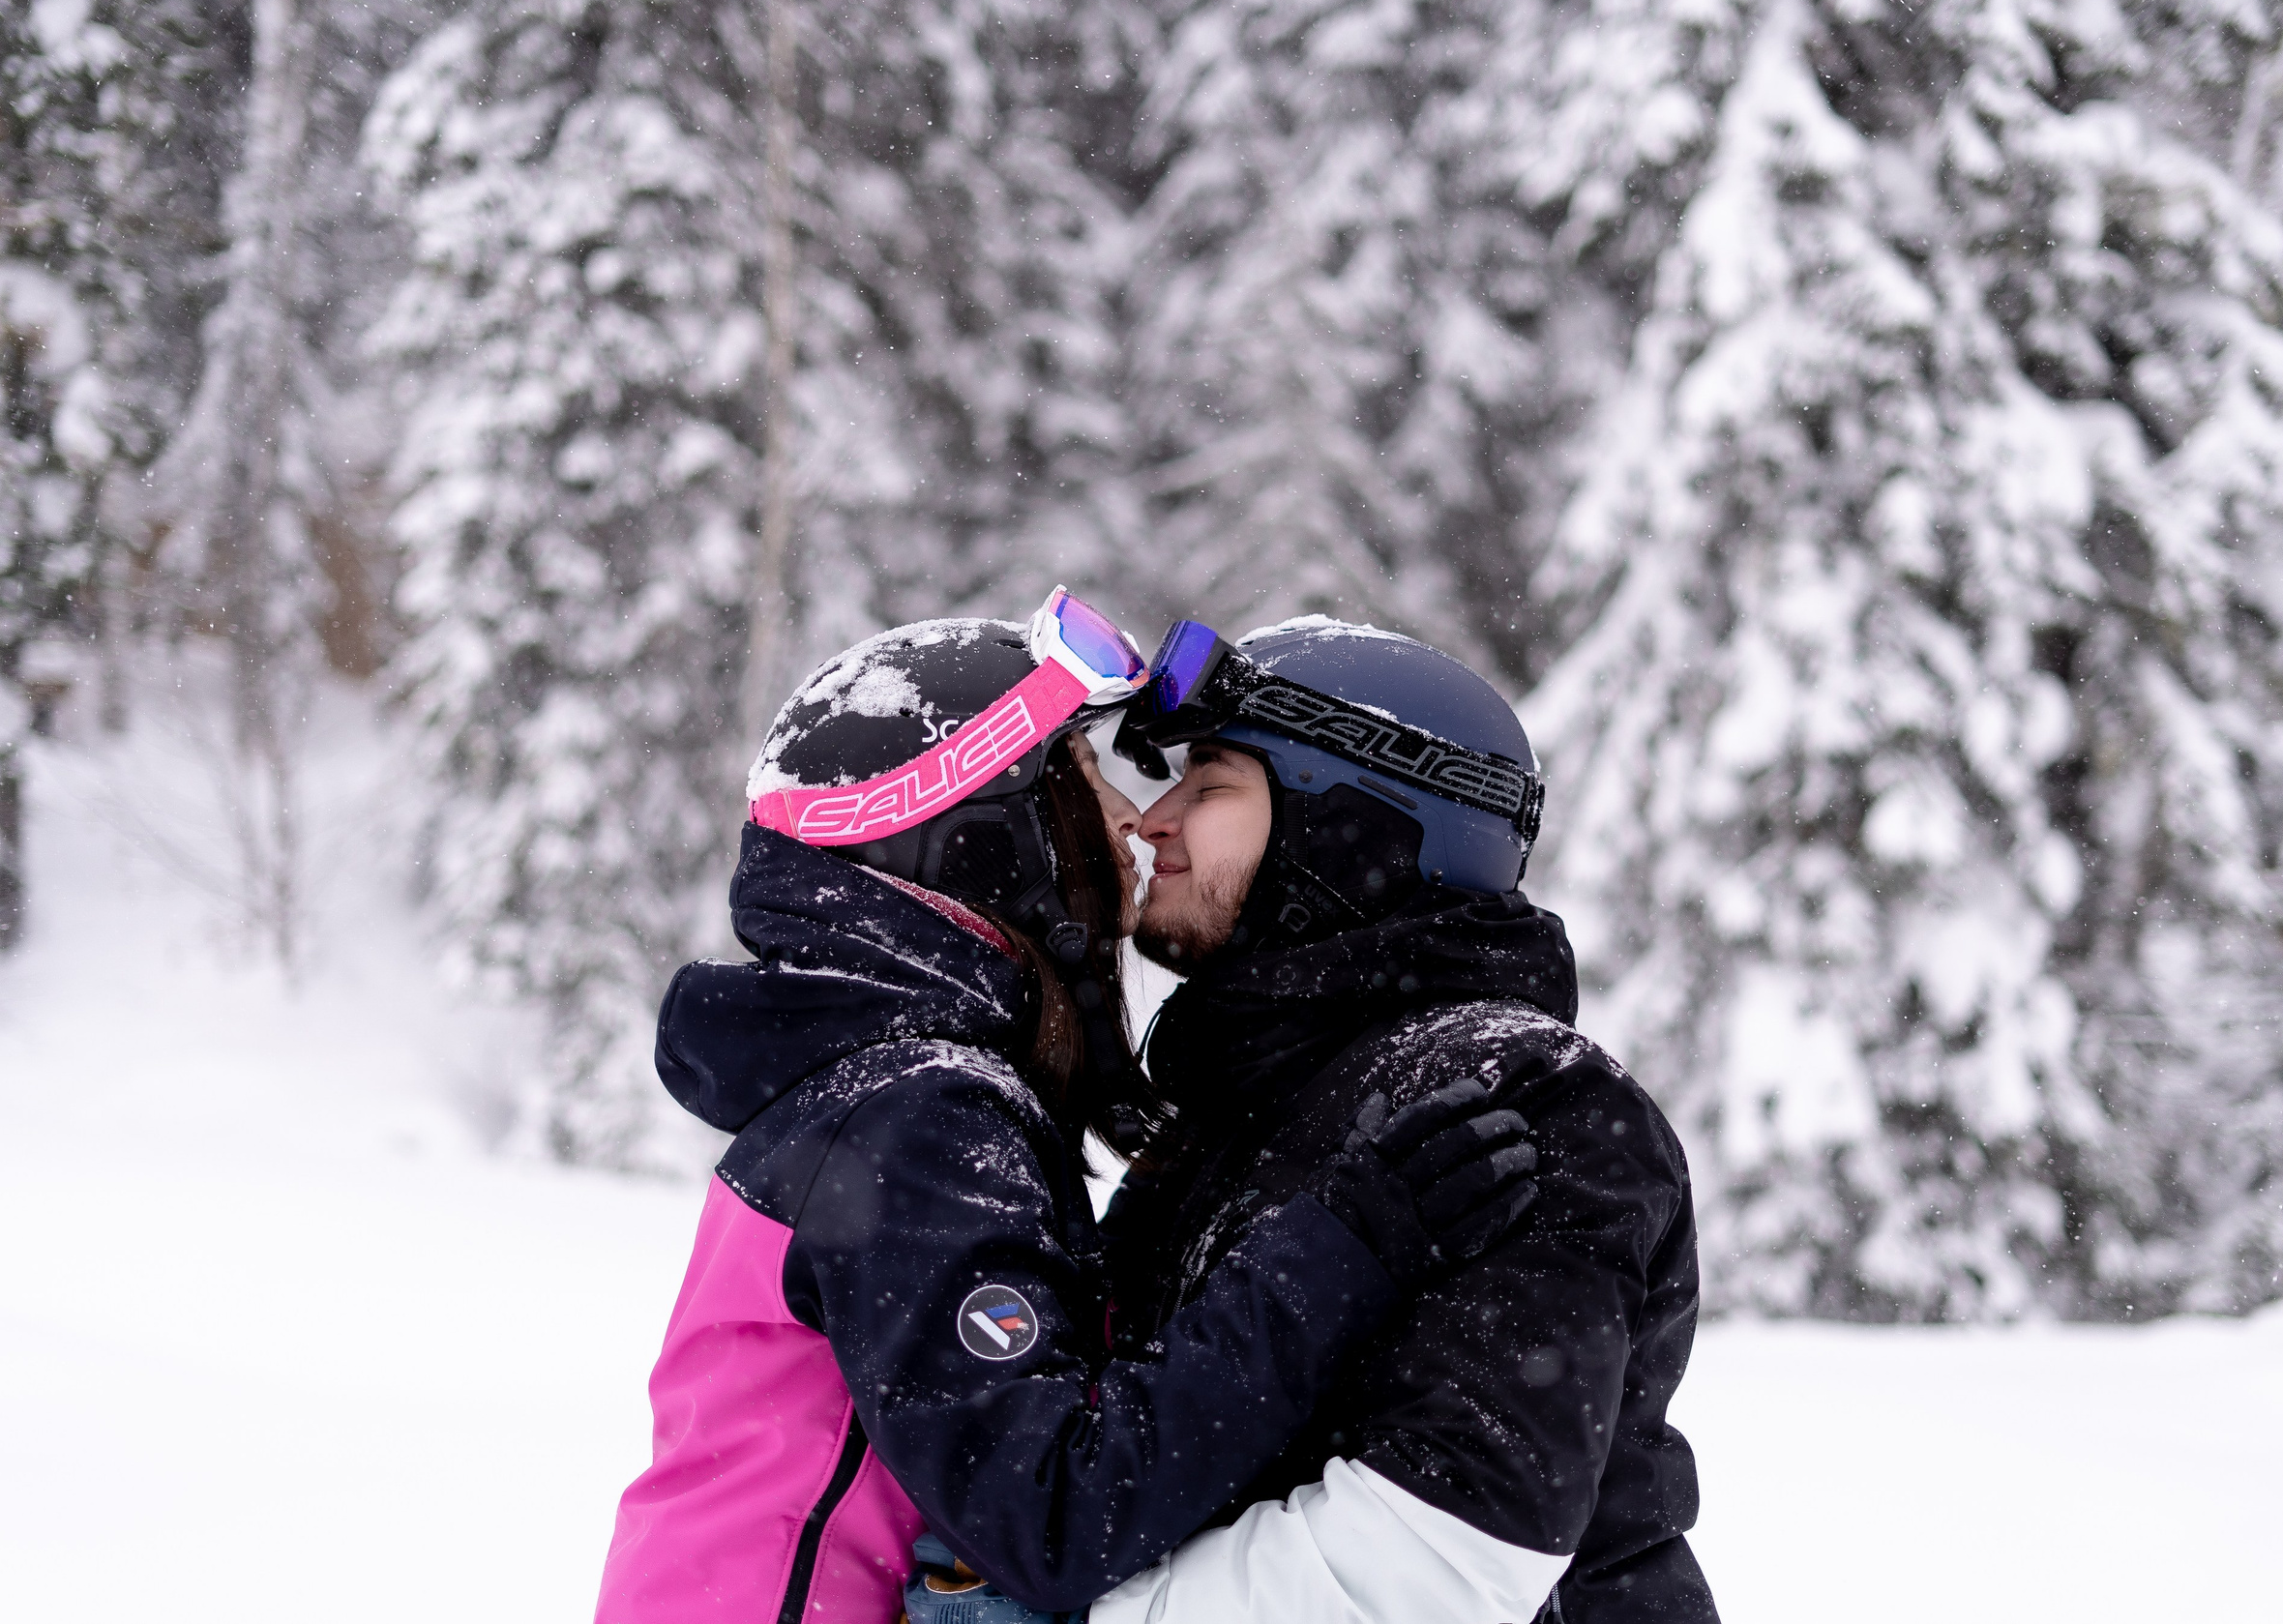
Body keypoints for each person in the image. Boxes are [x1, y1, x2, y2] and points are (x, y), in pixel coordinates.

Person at [592, 592, 1543, 1624]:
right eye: (1085, 787)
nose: (1135, 822)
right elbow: (1053, 1508)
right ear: (988, 842)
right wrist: (1341, 1246)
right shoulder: (916, 1116)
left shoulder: (872, 1091)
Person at [1082, 615, 1718, 1624]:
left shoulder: (1524, 1095)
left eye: (1209, 787)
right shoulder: (1240, 1107)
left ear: (1352, 828)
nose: (1157, 822)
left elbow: (1434, 1561)